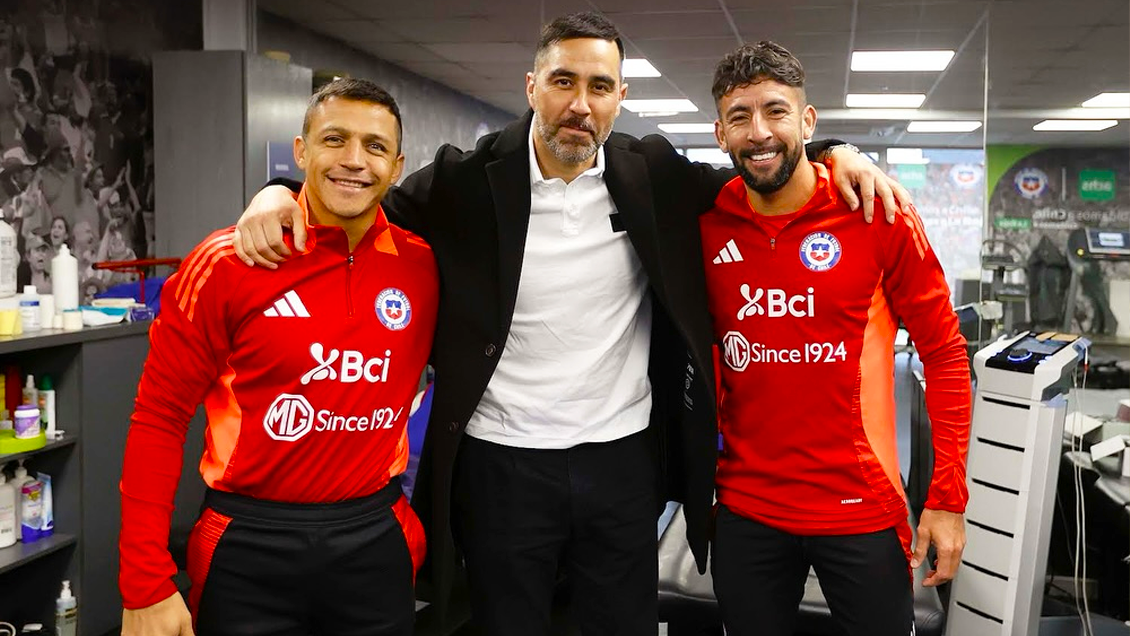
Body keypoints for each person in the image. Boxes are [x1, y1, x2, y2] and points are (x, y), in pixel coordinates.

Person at [233, 13, 912, 635]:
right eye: (563, 82)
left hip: (621, 460)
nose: (580, 104)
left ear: (619, 98)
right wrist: (277, 193)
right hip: (501, 463)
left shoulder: (651, 174)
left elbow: (759, 171)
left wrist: (835, 152)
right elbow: (361, 199)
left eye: (599, 86)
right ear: (532, 87)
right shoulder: (464, 181)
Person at [119, 79, 437, 636]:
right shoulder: (226, 262)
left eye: (375, 146)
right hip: (248, 542)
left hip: (374, 537)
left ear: (397, 166)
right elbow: (158, 418)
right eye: (334, 139)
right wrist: (144, 581)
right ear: (301, 152)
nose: (354, 160)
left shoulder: (423, 266)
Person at [699, 42, 971, 636]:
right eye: (740, 116)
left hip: (861, 508)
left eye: (776, 111)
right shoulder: (707, 222)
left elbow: (945, 354)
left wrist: (947, 497)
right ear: (720, 134)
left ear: (808, 121)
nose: (759, 132)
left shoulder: (877, 212)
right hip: (747, 510)